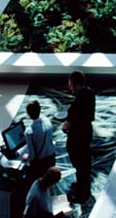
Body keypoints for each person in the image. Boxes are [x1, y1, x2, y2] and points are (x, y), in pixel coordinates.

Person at [64, 71, 95, 203]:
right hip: (86, 134)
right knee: (85, 164)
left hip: (77, 139)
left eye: (70, 85)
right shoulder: (90, 93)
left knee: (80, 166)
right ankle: (85, 187)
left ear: (75, 85)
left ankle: (82, 194)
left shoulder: (76, 105)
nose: (69, 88)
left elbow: (68, 125)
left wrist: (65, 126)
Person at [21, 100, 57, 182]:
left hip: (41, 165)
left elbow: (32, 156)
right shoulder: (47, 121)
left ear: (28, 114)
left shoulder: (29, 132)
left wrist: (26, 157)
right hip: (51, 159)